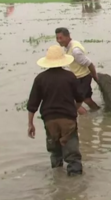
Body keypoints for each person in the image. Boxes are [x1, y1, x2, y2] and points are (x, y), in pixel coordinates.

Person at [27, 45, 85, 176]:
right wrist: (74, 110)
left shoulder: (40, 78)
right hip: (67, 119)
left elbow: (32, 104)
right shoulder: (70, 77)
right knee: (72, 155)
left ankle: (57, 178)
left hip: (49, 120)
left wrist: (30, 124)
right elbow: (80, 98)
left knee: (55, 152)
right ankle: (75, 186)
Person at [55, 27, 101, 111]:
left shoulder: (75, 51)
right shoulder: (68, 45)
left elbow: (89, 64)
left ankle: (82, 115)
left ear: (68, 36)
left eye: (61, 38)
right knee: (86, 99)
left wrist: (94, 76)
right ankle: (95, 111)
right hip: (77, 78)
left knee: (80, 99)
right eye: (57, 38)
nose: (59, 40)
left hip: (83, 77)